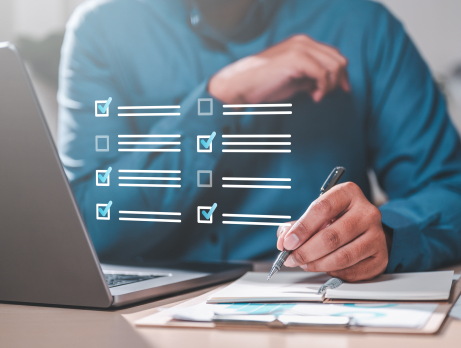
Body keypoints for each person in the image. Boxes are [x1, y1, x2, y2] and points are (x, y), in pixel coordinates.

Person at [56, 0, 461, 281]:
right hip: (146, 316)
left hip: (318, 310)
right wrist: (221, 96)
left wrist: (384, 234)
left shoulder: (364, 27)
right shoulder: (101, 30)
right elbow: (85, 226)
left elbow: (450, 191)